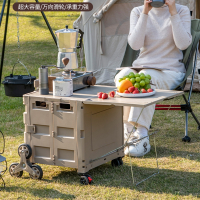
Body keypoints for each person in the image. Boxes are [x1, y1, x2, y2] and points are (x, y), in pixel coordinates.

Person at [115, 0, 192, 157]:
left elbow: (183, 44)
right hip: (142, 67)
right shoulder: (137, 11)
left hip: (170, 70)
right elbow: (135, 45)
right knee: (122, 77)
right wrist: (145, 12)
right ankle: (127, 132)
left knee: (145, 78)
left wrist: (172, 11)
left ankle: (142, 136)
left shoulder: (181, 11)